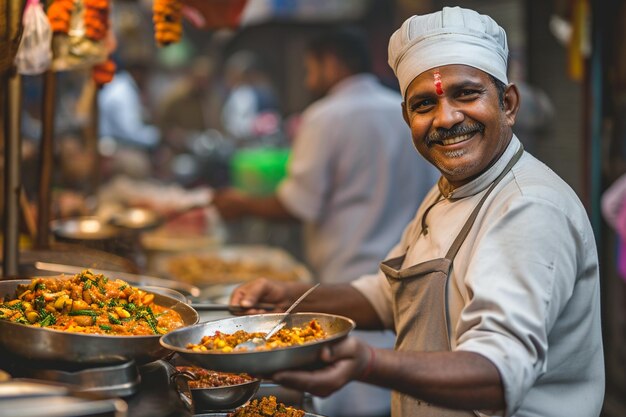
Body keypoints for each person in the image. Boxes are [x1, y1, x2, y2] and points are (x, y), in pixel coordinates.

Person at [228, 7, 604, 417]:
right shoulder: (448, 192)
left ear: (508, 103)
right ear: (407, 117)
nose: (446, 118)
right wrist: (291, 301)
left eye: (466, 94)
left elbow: (499, 372)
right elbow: (391, 297)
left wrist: (368, 363)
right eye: (425, 104)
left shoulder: (530, 209)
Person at [214, 28, 439, 417]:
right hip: (404, 277)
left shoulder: (325, 116)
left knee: (347, 390)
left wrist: (242, 204)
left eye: (309, 67)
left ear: (331, 61)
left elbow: (299, 204)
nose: (306, 78)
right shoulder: (404, 110)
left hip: (346, 282)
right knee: (394, 396)